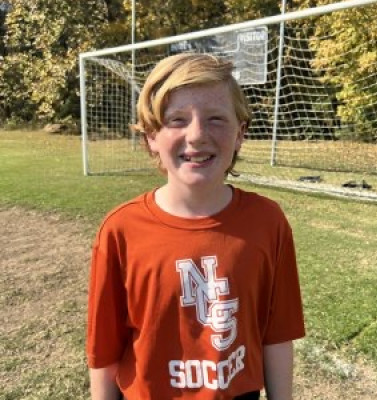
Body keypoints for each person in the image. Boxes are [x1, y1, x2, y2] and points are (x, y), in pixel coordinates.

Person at [86, 53, 305, 400]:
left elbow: (278, 334)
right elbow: (105, 353)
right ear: (151, 137)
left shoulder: (268, 221)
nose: (197, 135)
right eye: (177, 120)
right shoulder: (120, 230)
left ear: (240, 133)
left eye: (216, 118)